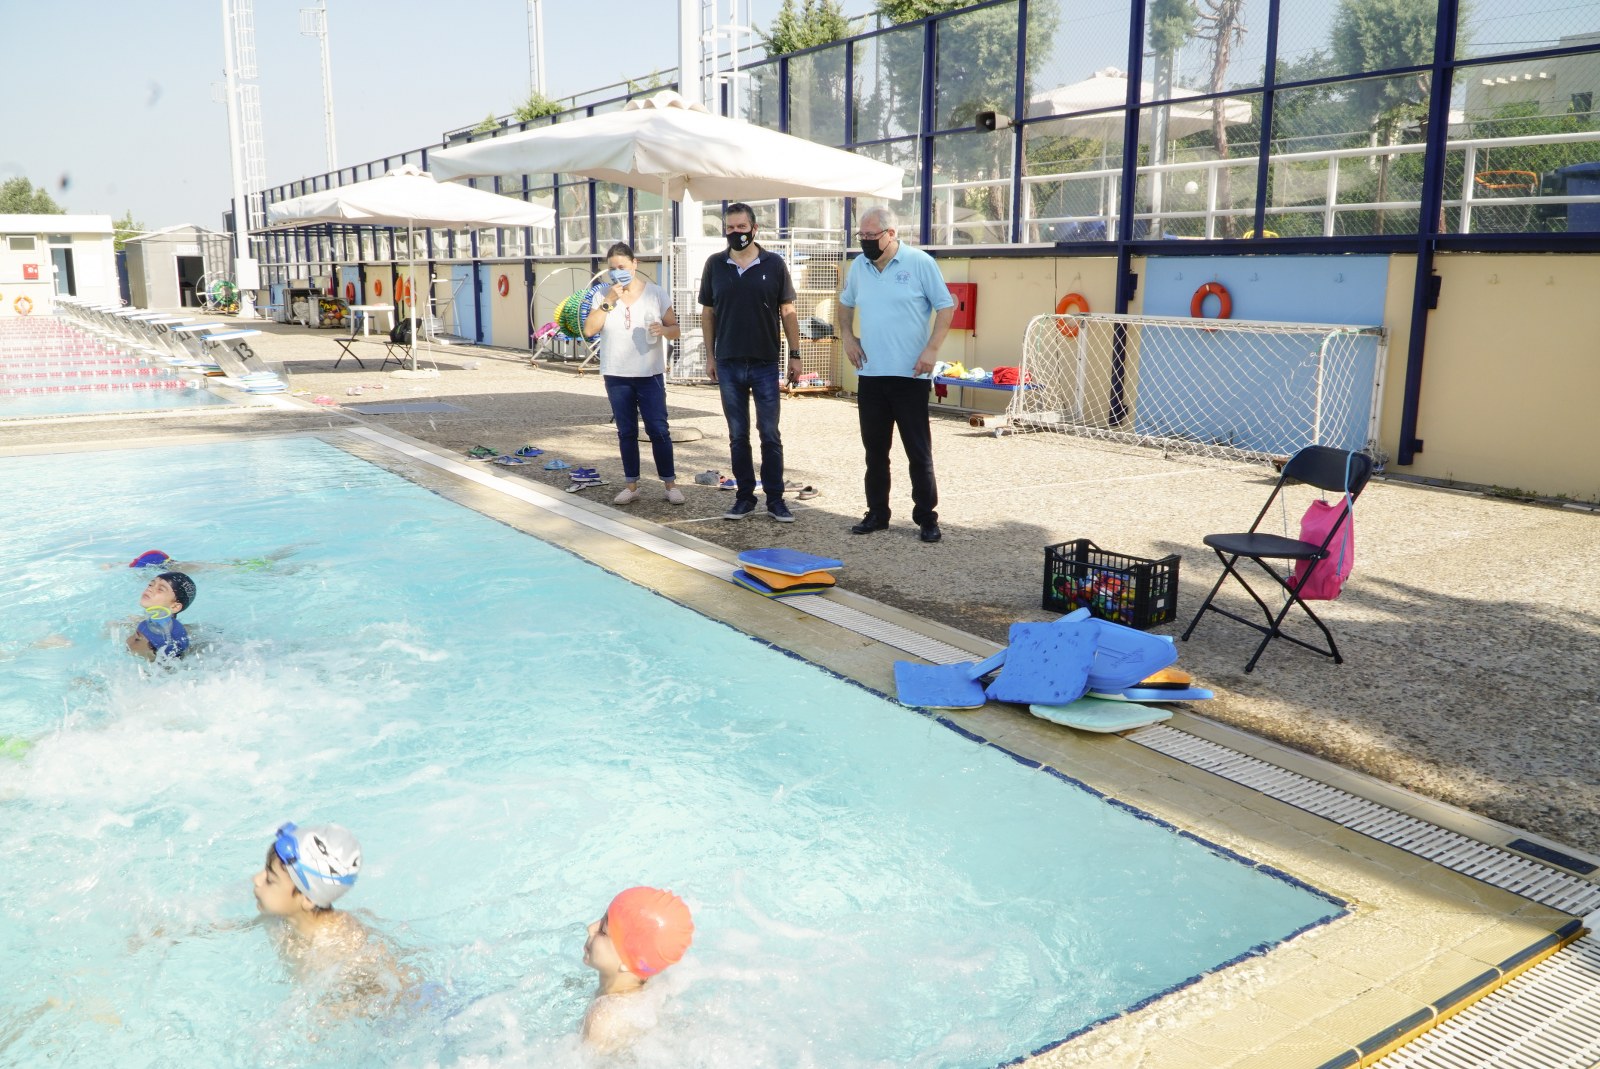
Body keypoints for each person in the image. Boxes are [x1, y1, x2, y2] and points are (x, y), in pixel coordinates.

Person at [837, 205, 956, 544]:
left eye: (871, 235)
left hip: (910, 375)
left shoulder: (920, 263)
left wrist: (932, 350)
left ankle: (926, 517)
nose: (865, 241)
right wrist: (848, 337)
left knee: (918, 452)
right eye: (861, 235)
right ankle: (877, 513)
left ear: (891, 234)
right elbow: (845, 303)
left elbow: (946, 307)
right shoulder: (859, 267)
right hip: (871, 374)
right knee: (875, 452)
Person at [698, 203, 803, 523]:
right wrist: (710, 356)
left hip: (764, 363)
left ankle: (775, 499)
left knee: (769, 433)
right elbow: (707, 313)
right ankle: (744, 498)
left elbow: (788, 311)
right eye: (730, 228)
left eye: (741, 227)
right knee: (737, 435)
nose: (735, 233)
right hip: (729, 363)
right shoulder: (715, 264)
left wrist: (795, 354)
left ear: (754, 229)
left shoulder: (774, 264)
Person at [253, 821, 408, 1013]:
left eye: (270, 879)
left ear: (307, 899)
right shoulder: (281, 918)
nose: (256, 879)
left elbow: (385, 990)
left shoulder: (335, 948)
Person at [583, 243, 685, 506]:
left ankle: (670, 484)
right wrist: (609, 301)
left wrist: (663, 330)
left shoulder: (655, 293)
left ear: (635, 264)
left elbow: (675, 329)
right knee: (626, 431)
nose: (617, 272)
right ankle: (631, 485)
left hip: (649, 374)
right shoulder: (602, 294)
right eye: (612, 269)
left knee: (658, 430)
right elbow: (589, 330)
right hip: (616, 374)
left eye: (622, 267)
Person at [581, 886, 694, 1053]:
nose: (591, 927)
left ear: (628, 962)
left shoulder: (602, 1018)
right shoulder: (651, 989)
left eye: (603, 931)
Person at [126, 570, 196, 660]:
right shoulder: (138, 621)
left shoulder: (177, 636)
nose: (150, 589)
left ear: (175, 606)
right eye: (150, 585)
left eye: (160, 589)